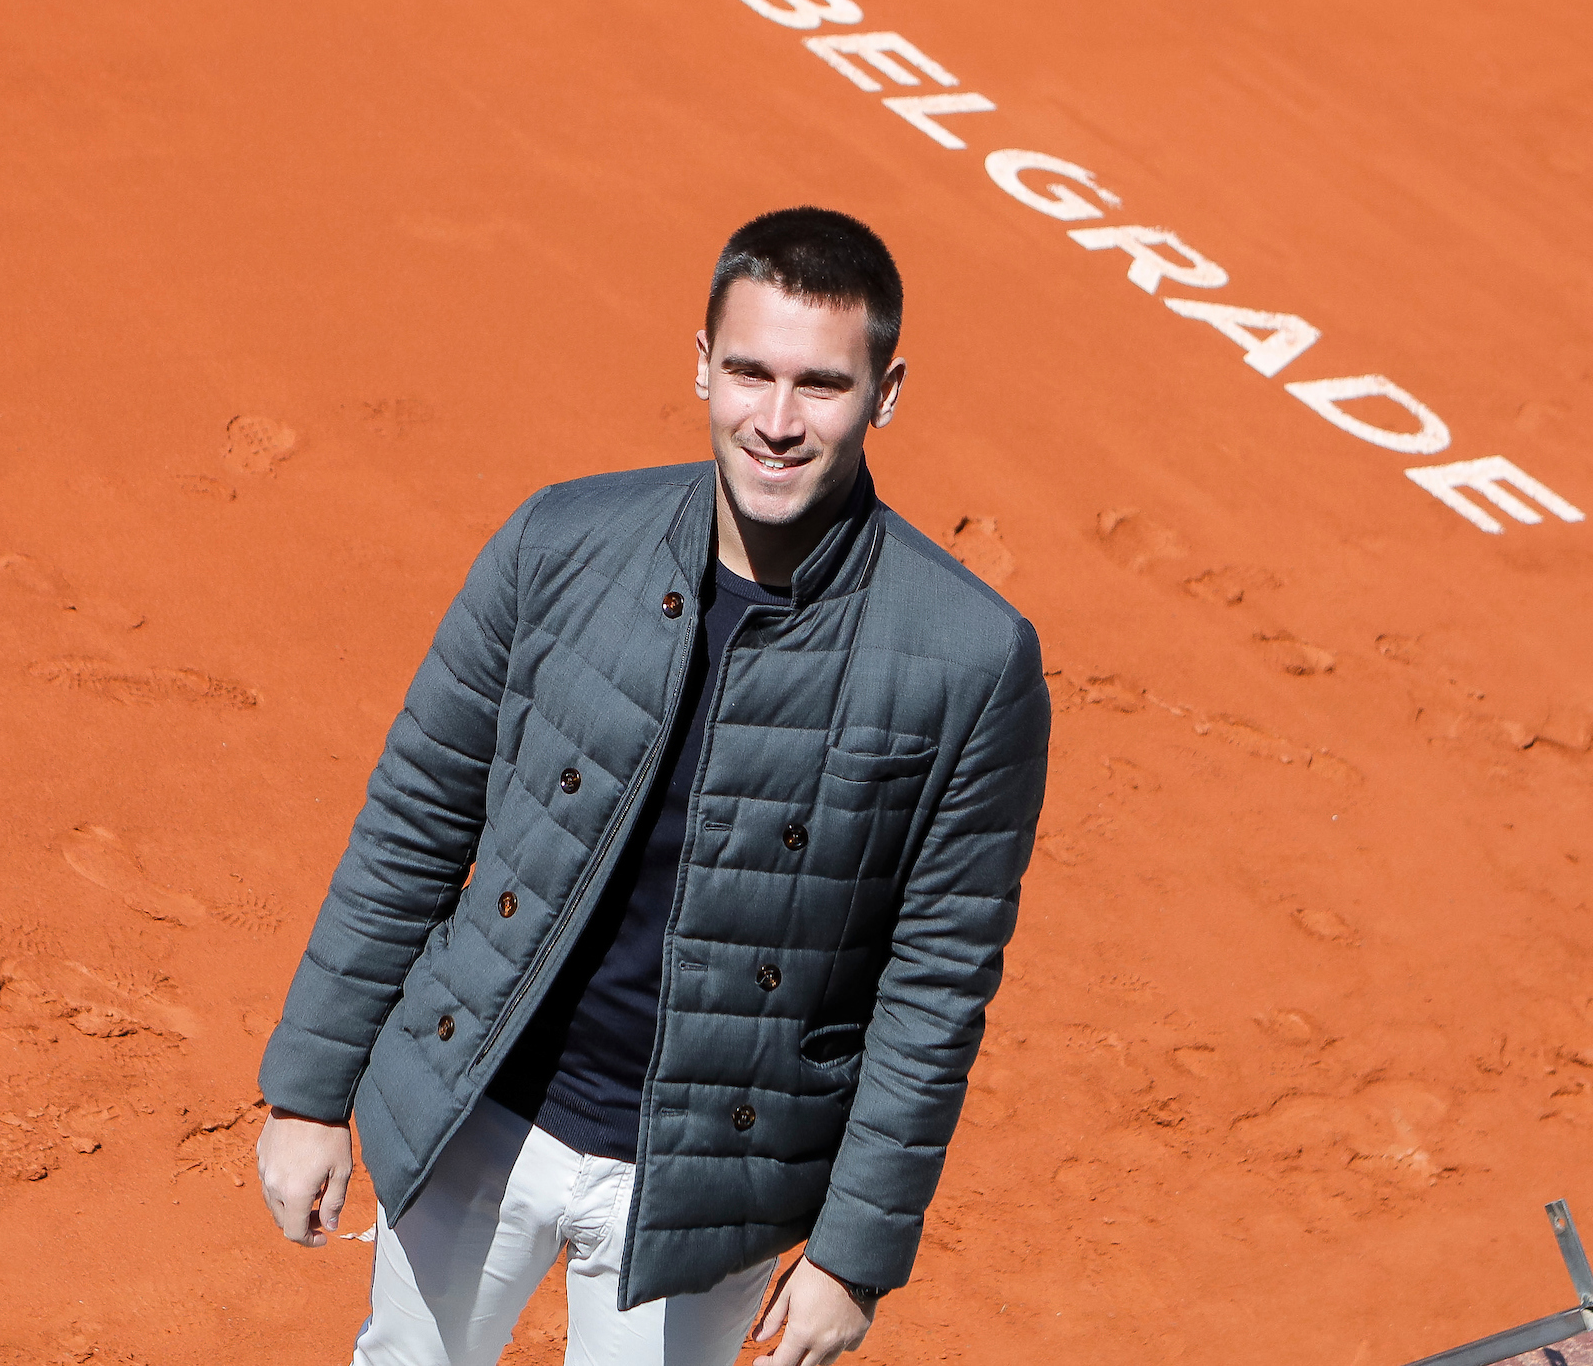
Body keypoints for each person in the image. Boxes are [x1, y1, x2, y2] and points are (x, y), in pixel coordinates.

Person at [255, 207, 1050, 1366]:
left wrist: (853, 1254)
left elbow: (936, 983)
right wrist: (310, 1091)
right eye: (750, 372)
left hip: (704, 1189)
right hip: (478, 1111)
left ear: (886, 393)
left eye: (821, 386)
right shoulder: (559, 544)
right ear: (699, 365)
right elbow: (417, 815)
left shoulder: (974, 659)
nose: (777, 422)